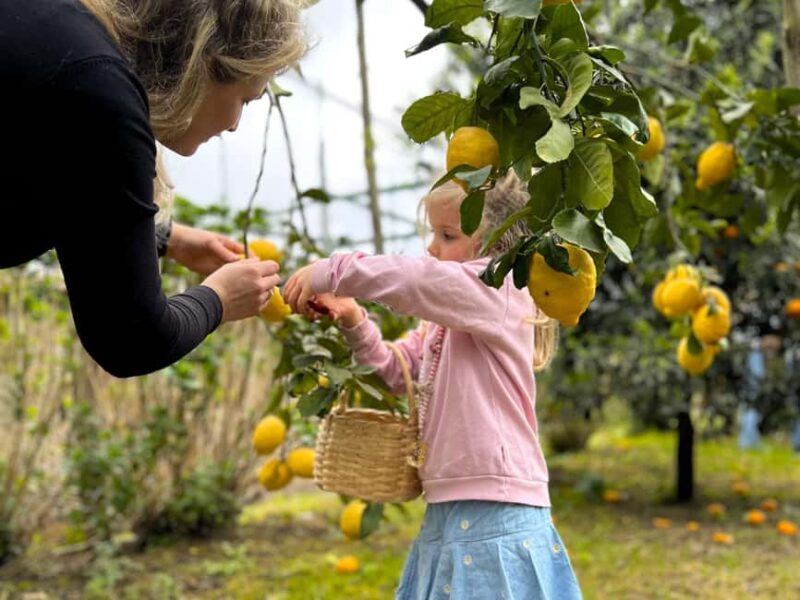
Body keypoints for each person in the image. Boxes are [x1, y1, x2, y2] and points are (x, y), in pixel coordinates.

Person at [284, 173, 582, 599]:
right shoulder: (446, 319)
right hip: (449, 503)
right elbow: (395, 369)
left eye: (447, 235)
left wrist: (334, 271)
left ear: (496, 242)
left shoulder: (498, 289)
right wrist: (353, 320)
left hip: (496, 505)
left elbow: (415, 280)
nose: (431, 247)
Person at [0, 0, 306, 377]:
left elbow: (73, 194)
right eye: (245, 99)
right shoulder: (102, 96)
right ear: (206, 62)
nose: (233, 126)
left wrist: (165, 239)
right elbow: (131, 340)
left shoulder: (60, 38)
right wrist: (220, 298)